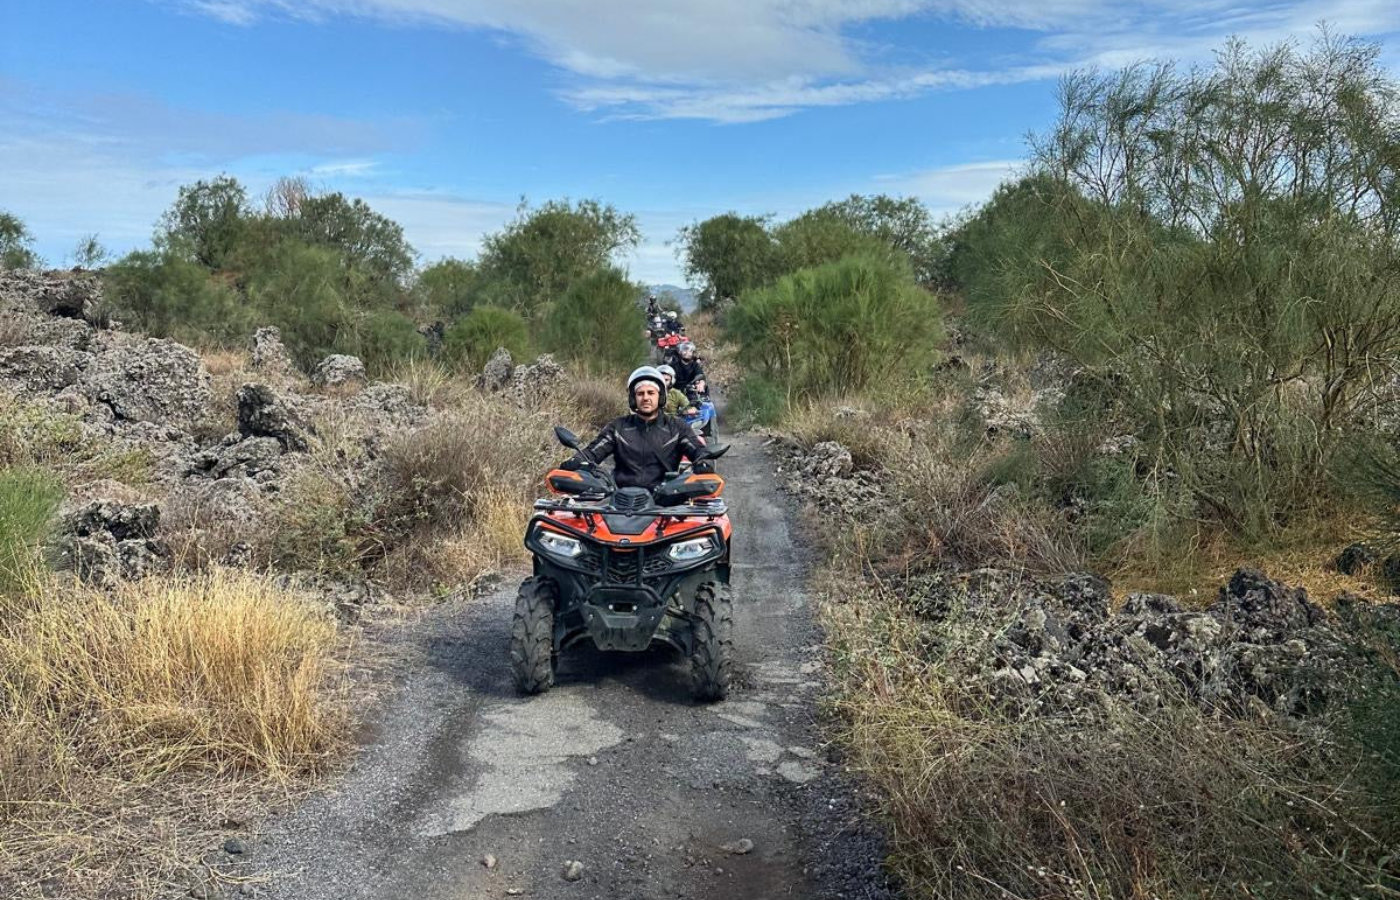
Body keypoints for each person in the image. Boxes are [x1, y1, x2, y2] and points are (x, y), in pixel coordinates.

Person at [562, 366, 710, 489]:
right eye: (640, 393)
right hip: (619, 502)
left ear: (661, 396)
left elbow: (697, 450)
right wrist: (575, 461)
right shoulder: (618, 427)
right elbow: (592, 453)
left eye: (651, 393)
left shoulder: (677, 427)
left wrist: (703, 463)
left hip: (667, 503)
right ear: (633, 398)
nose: (645, 398)